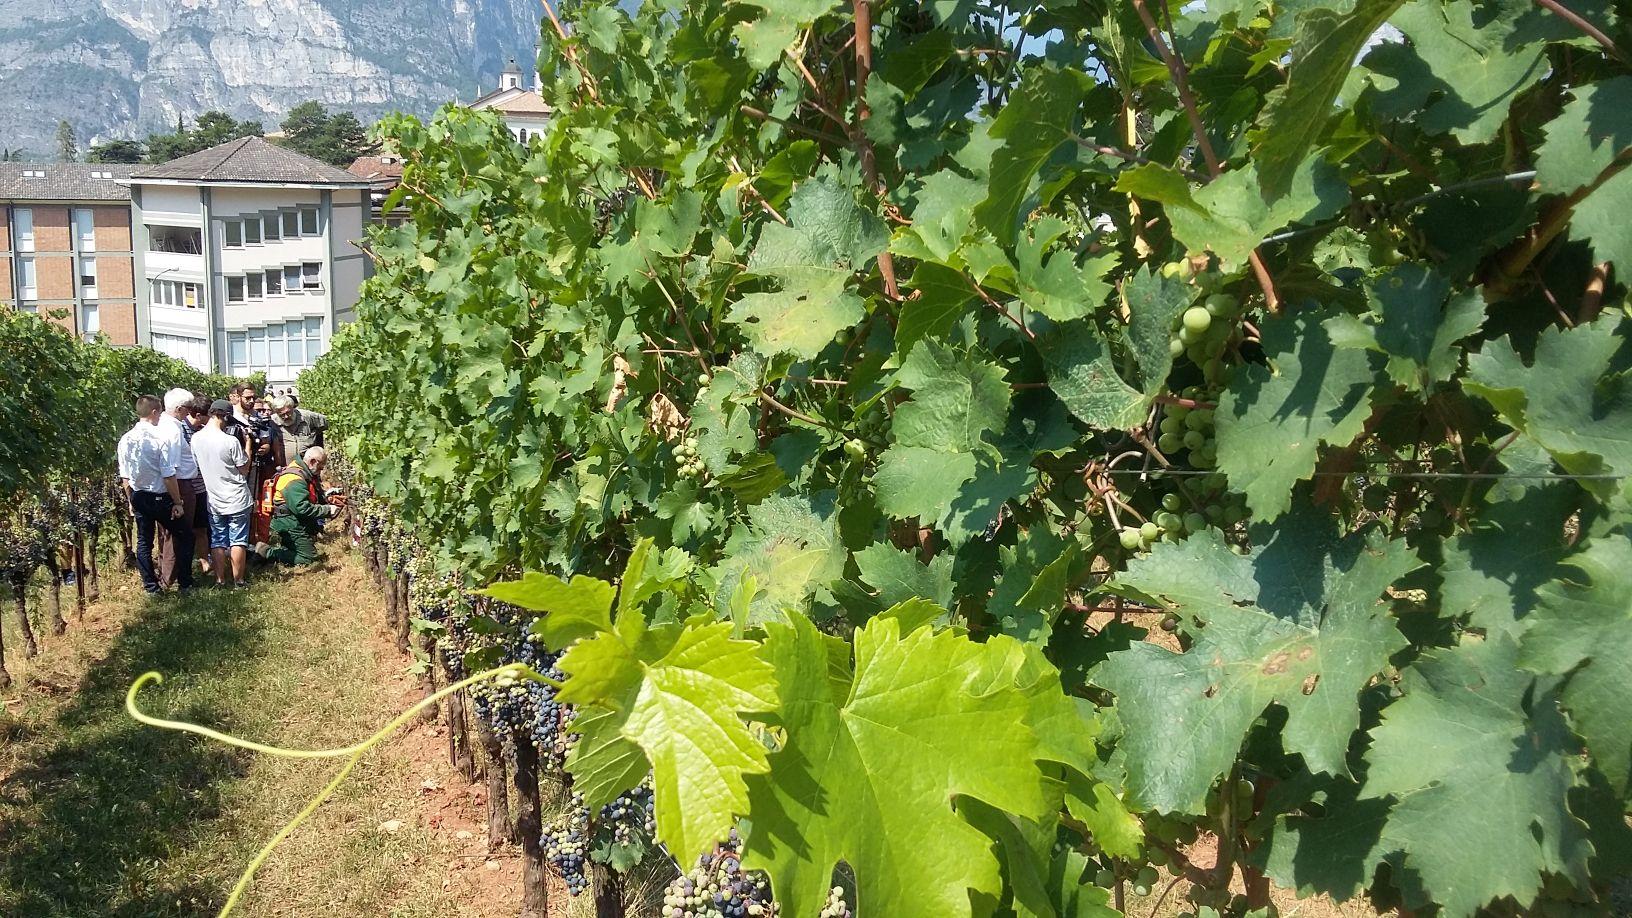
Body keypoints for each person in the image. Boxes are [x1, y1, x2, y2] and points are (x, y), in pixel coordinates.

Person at [117, 395, 192, 594]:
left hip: (139, 496)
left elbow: (125, 476)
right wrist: (177, 502)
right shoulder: (159, 438)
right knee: (185, 536)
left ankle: (151, 587)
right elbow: (168, 475)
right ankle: (185, 583)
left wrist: (130, 501)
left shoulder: (125, 439)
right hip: (160, 497)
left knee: (144, 541)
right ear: (154, 412)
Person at [192, 399, 254, 587]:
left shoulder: (195, 439)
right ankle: (239, 580)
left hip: (214, 500)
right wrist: (249, 446)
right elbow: (244, 468)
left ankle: (219, 579)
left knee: (218, 540)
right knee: (238, 540)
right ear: (225, 417)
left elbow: (197, 466)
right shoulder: (230, 441)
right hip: (237, 498)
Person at [256, 446, 342, 567]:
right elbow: (301, 508)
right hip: (288, 521)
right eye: (320, 467)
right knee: (308, 558)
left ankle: (290, 546)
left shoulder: (301, 470)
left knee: (309, 542)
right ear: (312, 462)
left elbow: (308, 496)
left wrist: (327, 496)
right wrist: (328, 510)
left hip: (292, 518)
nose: (320, 471)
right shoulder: (294, 479)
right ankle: (268, 552)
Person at [154, 388, 200, 589]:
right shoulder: (172, 428)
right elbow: (169, 466)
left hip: (173, 484)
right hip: (179, 485)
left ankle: (169, 576)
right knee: (180, 533)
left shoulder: (162, 424)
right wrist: (177, 500)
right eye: (188, 409)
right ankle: (173, 579)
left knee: (169, 533)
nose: (189, 413)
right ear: (180, 409)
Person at [186, 394, 213, 574]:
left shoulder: (200, 431)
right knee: (188, 529)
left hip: (201, 487)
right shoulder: (180, 429)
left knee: (202, 527)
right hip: (187, 488)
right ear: (197, 415)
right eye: (207, 417)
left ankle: (204, 561)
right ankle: (188, 563)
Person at [270, 395, 327, 461]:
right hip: (286, 468)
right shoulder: (272, 422)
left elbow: (332, 423)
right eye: (281, 415)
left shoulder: (308, 417)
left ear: (293, 407)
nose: (286, 417)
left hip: (308, 467)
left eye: (288, 412)